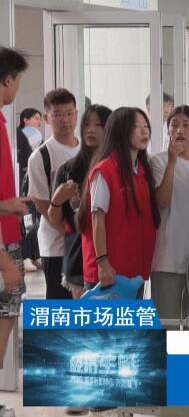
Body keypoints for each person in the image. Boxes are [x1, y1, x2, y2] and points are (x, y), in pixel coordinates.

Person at [78, 107, 160, 292]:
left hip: (134, 272)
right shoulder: (105, 171)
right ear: (120, 131)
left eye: (146, 126)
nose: (144, 131)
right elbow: (97, 219)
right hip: (110, 272)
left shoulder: (142, 171)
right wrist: (102, 263)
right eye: (137, 126)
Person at [150, 105, 189, 329]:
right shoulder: (158, 161)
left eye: (186, 125)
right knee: (168, 326)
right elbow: (162, 201)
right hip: (167, 259)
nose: (180, 130)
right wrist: (172, 162)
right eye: (174, 125)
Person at [47, 104, 111, 298]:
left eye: (98, 125)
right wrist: (57, 201)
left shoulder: (118, 168)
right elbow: (56, 220)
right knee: (85, 314)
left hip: (115, 254)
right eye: (87, 124)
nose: (91, 130)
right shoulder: (67, 170)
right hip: (79, 257)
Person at [0, 47, 31, 417]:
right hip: (3, 243)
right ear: (7, 79)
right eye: (18, 80)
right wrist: (6, 262)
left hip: (8, 235)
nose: (18, 88)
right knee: (5, 316)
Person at [27, 88, 81, 299]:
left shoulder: (88, 150)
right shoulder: (40, 157)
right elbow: (41, 204)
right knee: (61, 308)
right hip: (56, 246)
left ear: (76, 114)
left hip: (85, 244)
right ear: (47, 118)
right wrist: (70, 233)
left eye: (69, 113)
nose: (65, 119)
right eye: (57, 114)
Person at [16, 107, 42, 188]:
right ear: (26, 121)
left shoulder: (38, 138)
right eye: (37, 118)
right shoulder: (17, 135)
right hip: (20, 176)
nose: (40, 122)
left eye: (40, 119)